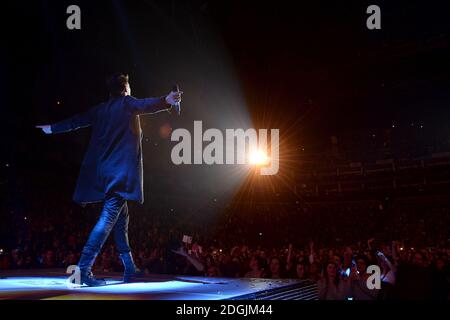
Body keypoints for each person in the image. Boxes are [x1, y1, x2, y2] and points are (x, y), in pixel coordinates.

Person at [36, 74, 182, 286]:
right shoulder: (127, 103)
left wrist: (52, 128)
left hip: (104, 173)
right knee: (108, 218)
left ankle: (130, 268)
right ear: (125, 88)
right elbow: (146, 104)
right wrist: (167, 100)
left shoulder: (101, 109)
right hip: (120, 174)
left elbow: (77, 120)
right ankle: (83, 269)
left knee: (122, 219)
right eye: (129, 85)